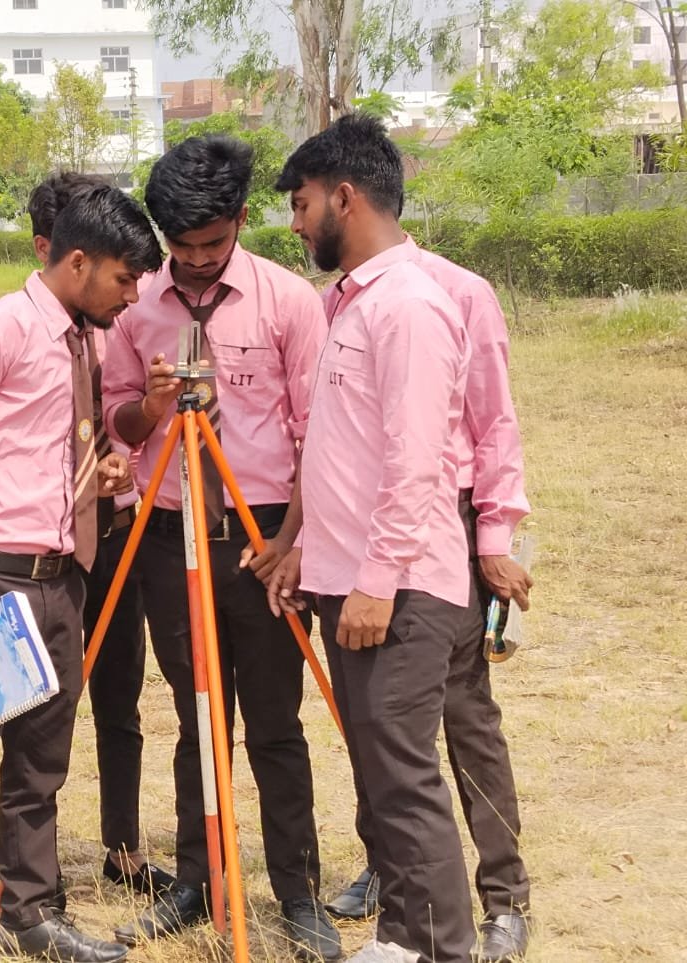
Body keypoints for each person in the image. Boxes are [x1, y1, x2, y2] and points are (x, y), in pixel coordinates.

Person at [101, 135, 340, 961]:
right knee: (199, 718)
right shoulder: (135, 304)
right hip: (169, 540)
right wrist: (152, 408)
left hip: (262, 537)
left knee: (274, 721)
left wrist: (292, 540)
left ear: (242, 218)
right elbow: (119, 425)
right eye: (181, 248)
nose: (196, 262)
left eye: (212, 244)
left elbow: (318, 433)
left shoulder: (287, 301)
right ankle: (197, 881)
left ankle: (298, 893)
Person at [0, 185, 162, 963]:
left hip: (62, 580)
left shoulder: (81, 338)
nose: (133, 297)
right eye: (125, 279)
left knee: (41, 766)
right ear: (79, 260)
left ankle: (30, 913)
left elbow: (41, 451)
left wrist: (104, 474)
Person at [269, 113, 476, 963]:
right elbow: (337, 452)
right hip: (348, 574)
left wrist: (377, 580)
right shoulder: (345, 304)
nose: (294, 221)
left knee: (401, 773)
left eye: (301, 202)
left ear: (343, 198)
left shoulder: (412, 307)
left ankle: (442, 946)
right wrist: (300, 551)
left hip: (398, 585)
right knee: (379, 772)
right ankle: (403, 935)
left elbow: (417, 458)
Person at [321, 227, 534, 963]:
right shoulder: (344, 299)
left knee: (465, 720)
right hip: (373, 534)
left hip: (450, 524)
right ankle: (396, 889)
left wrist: (497, 538)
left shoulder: (454, 293)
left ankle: (503, 896)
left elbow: (493, 422)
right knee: (384, 728)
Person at [26, 173, 174, 901]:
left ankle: (123, 846)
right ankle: (33, 867)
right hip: (44, 557)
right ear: (58, 253)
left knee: (121, 701)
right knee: (38, 720)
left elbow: (115, 422)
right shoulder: (19, 335)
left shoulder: (107, 334)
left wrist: (121, 455)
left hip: (113, 539)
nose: (129, 292)